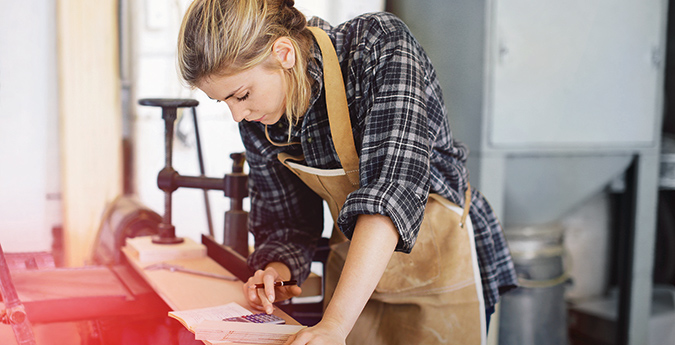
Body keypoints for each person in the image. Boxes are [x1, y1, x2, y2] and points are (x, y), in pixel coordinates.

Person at [177, 0, 518, 344]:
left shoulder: (377, 46)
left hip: (442, 271)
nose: (237, 115)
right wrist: (275, 272)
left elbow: (391, 192)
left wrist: (335, 325)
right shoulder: (261, 120)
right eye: (225, 102)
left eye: (242, 95)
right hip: (355, 285)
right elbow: (288, 223)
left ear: (283, 53)